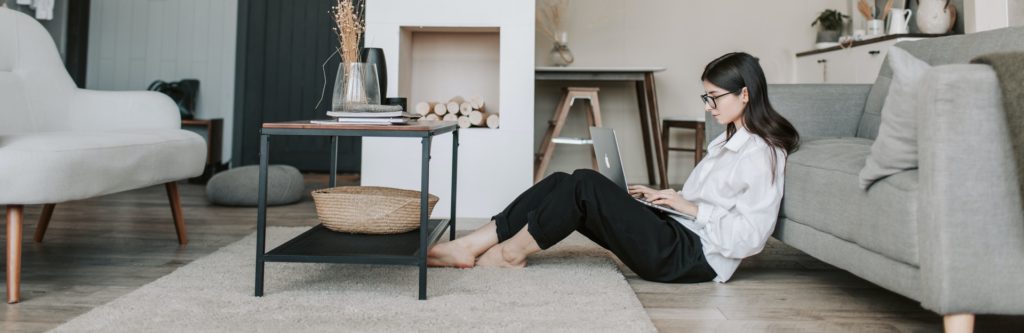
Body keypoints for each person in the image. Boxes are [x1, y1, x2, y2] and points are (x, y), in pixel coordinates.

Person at [428, 52, 800, 283]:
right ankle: (473, 243)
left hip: (692, 258)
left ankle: (510, 255)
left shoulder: (762, 154)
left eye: (714, 97)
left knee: (585, 185)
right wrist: (669, 197)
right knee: (563, 180)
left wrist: (690, 208)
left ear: (745, 94)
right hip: (677, 233)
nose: (708, 106)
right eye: (706, 97)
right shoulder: (726, 141)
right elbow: (708, 203)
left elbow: (751, 238)